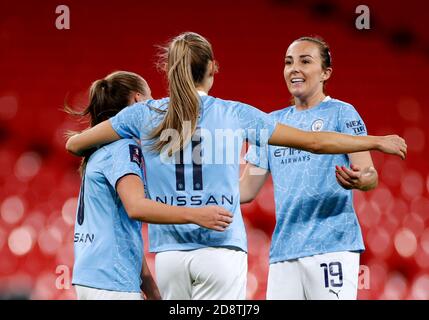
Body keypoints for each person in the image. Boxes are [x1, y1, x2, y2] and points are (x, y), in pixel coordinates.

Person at [65, 32, 406, 300]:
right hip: (221, 247)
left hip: (169, 254)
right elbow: (315, 142)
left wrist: (116, 147)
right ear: (212, 67)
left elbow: (75, 143)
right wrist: (375, 141)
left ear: (170, 69)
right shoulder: (236, 114)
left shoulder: (143, 114)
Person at [67, 71, 233, 300]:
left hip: (91, 277)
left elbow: (124, 233)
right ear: (137, 100)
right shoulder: (124, 148)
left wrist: (152, 291)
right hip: (112, 281)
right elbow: (136, 207)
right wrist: (196, 215)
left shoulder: (98, 151)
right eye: (150, 97)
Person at [240, 36, 382, 299]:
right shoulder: (271, 123)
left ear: (325, 73)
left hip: (333, 245)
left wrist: (361, 179)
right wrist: (205, 192)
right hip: (284, 251)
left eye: (305, 61)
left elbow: (369, 173)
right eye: (288, 62)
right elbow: (247, 189)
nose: (295, 68)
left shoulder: (343, 113)